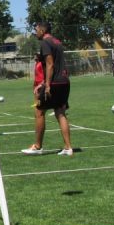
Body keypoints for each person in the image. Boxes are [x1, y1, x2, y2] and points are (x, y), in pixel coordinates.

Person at [22, 22, 74, 156]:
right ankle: (68, 148)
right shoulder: (57, 42)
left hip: (54, 83)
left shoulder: (45, 42)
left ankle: (38, 146)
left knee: (39, 111)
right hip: (64, 81)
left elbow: (50, 64)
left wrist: (47, 84)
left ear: (43, 30)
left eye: (37, 29)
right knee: (60, 113)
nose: (35, 32)